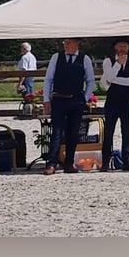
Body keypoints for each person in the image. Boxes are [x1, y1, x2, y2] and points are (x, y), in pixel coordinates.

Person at [42, 38, 95, 175]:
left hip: (76, 100)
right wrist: (46, 99)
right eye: (64, 43)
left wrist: (85, 98)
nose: (65, 45)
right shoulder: (56, 57)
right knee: (57, 132)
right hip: (59, 99)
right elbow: (49, 78)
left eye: (68, 43)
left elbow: (90, 80)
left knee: (73, 132)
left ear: (77, 43)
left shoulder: (85, 59)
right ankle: (52, 163)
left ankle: (69, 163)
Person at [99, 38, 129, 172]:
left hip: (127, 101)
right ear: (115, 47)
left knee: (126, 131)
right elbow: (108, 79)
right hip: (112, 101)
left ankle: (127, 160)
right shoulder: (108, 61)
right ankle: (105, 161)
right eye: (120, 45)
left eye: (125, 46)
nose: (122, 48)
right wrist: (117, 65)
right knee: (108, 131)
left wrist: (115, 81)